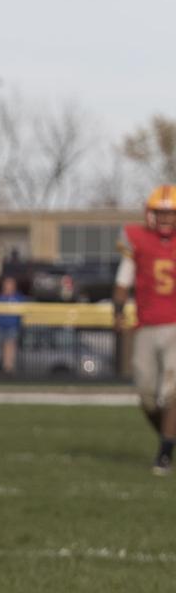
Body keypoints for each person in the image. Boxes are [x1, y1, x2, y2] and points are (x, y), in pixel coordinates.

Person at [114, 184, 176, 476]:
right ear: (150, 214)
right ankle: (169, 438)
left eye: (170, 214)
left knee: (173, 394)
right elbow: (123, 279)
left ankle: (164, 452)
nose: (165, 219)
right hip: (146, 326)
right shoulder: (136, 239)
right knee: (147, 397)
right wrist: (117, 310)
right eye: (160, 213)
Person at [0, 275, 25, 375]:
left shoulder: (18, 298)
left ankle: (8, 367)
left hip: (13, 326)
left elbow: (23, 311)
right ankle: (6, 366)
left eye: (11, 284)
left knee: (10, 344)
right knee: (3, 346)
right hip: (1, 326)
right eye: (7, 284)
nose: (9, 286)